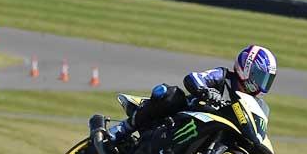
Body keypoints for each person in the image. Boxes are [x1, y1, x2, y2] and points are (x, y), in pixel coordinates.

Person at [109, 44, 277, 142]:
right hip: (184, 116)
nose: (262, 84)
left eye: (266, 79)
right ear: (246, 68)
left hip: (209, 133)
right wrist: (206, 91)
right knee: (171, 94)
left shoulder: (258, 105)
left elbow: (259, 127)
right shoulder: (223, 76)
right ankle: (123, 128)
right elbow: (194, 78)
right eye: (260, 77)